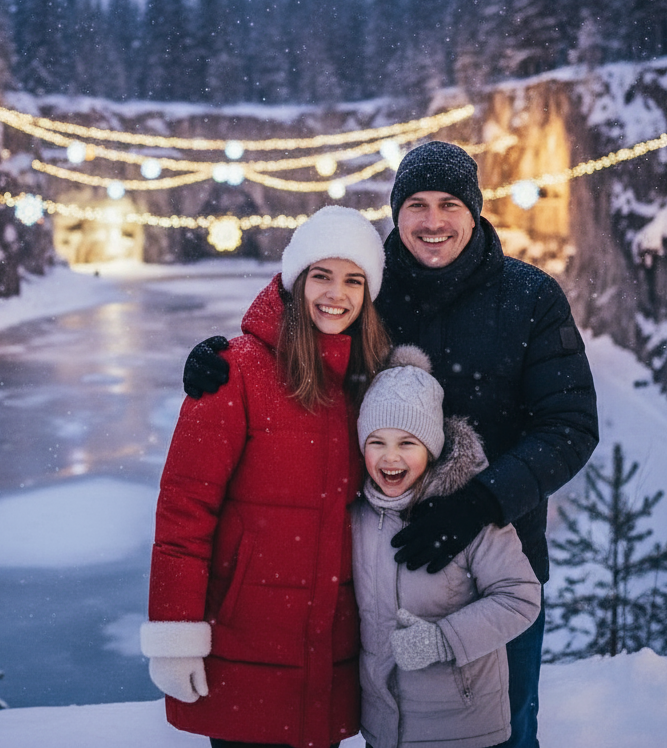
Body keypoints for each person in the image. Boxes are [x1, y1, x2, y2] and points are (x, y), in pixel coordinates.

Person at [183, 141, 599, 748]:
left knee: (505, 730)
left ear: (475, 211)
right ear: (396, 213)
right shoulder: (372, 285)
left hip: (495, 563)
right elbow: (302, 310)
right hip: (379, 563)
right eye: (417, 206)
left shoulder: (529, 296)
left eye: (450, 204)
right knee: (393, 730)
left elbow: (569, 425)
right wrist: (228, 355)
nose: (433, 222)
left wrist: (480, 503)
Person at [141, 205, 391, 748]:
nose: (335, 294)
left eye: (353, 280)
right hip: (242, 645)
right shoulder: (236, 373)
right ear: (294, 281)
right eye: (321, 276)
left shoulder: (370, 382)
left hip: (329, 649)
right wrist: (175, 634)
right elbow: (185, 510)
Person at [353, 344, 541, 748]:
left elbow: (521, 597)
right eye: (376, 442)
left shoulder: (467, 519)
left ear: (432, 447)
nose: (389, 458)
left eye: (407, 443)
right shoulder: (357, 516)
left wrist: (443, 640)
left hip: (464, 728)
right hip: (384, 727)